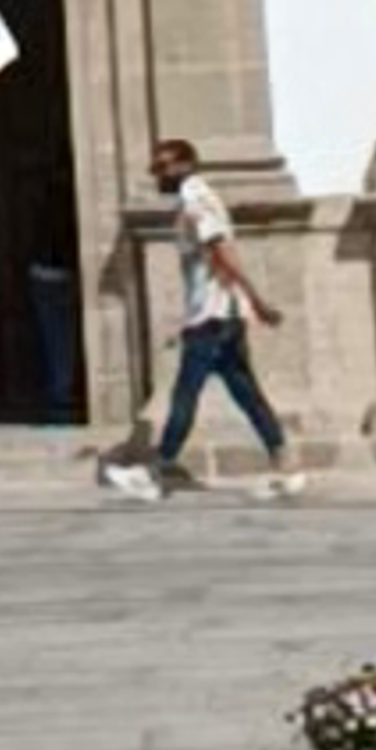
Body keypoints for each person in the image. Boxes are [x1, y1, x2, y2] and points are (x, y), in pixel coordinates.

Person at [99, 141, 295, 501]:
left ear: (187, 165)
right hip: (218, 315)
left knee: (185, 394)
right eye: (155, 168)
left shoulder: (196, 199)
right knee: (246, 393)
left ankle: (155, 473)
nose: (157, 175)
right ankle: (285, 465)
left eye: (164, 167)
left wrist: (257, 300)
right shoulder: (194, 200)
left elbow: (223, 253)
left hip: (214, 317)